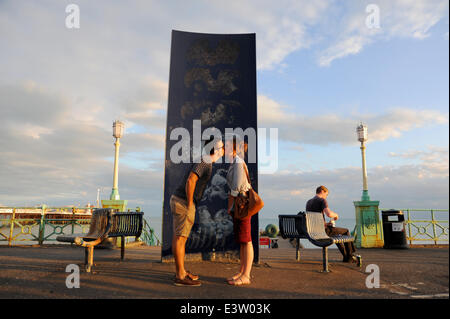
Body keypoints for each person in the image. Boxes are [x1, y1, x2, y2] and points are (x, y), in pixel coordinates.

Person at [170, 137, 224, 286]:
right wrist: (189, 203)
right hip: (183, 202)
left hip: (179, 200)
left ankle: (180, 271)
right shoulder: (205, 161)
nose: (223, 150)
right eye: (221, 147)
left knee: (178, 237)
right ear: (215, 149)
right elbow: (190, 180)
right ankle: (180, 276)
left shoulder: (206, 161)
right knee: (181, 239)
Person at [225, 136, 253, 286]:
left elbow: (235, 188)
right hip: (240, 205)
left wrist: (229, 207)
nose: (225, 149)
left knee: (247, 240)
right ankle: (241, 272)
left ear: (234, 148)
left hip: (242, 205)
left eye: (227, 146)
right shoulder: (234, 163)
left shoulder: (238, 163)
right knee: (242, 240)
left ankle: (246, 275)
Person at [305, 185, 357, 263]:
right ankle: (350, 256)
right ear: (322, 191)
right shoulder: (322, 200)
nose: (326, 197)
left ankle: (346, 257)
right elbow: (329, 214)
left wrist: (325, 224)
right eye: (326, 194)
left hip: (313, 231)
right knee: (346, 231)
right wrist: (336, 215)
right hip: (322, 232)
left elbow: (313, 220)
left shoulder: (308, 202)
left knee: (336, 235)